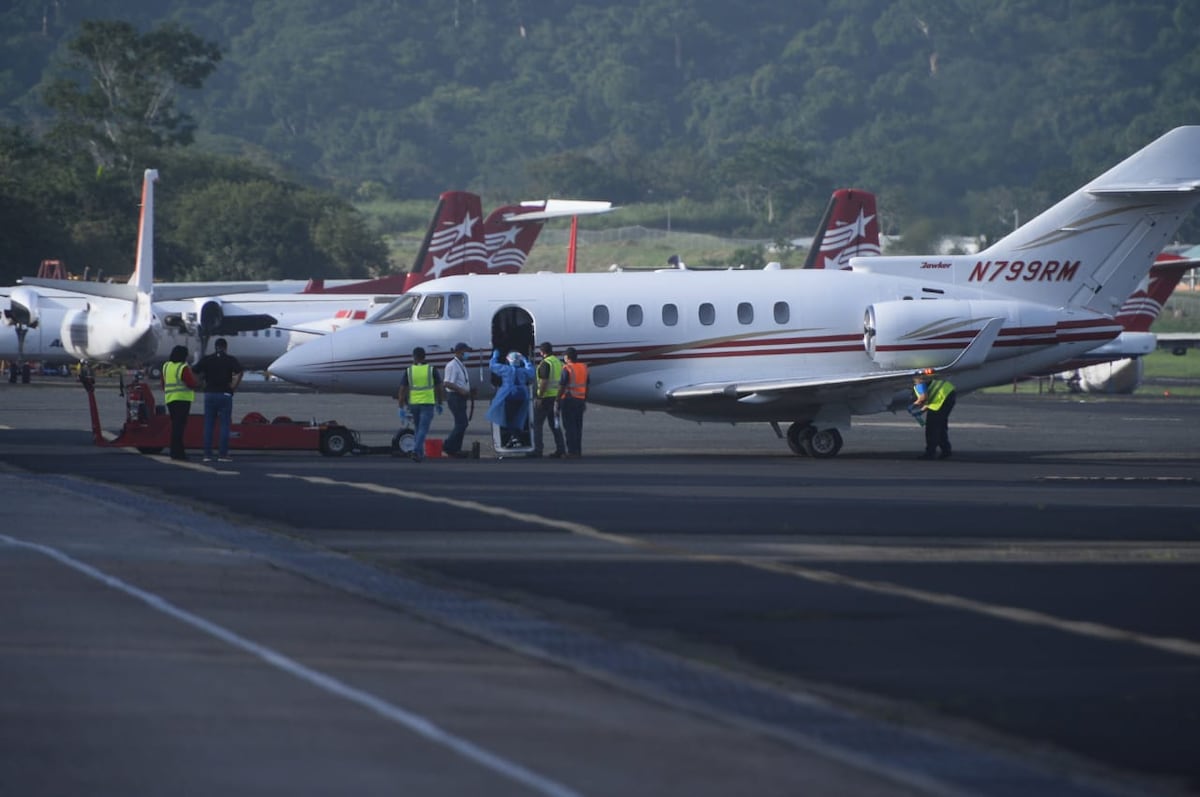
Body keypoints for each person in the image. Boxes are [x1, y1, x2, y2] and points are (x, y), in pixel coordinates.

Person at [192, 337, 243, 463]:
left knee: (208, 425)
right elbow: (240, 372)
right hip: (225, 394)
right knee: (225, 425)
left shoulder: (207, 359)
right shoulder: (230, 359)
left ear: (215, 347)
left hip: (209, 394)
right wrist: (233, 386)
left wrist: (200, 384)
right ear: (225, 347)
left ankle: (207, 455)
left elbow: (194, 370)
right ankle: (222, 455)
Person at [397, 346, 444, 462]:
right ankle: (416, 450)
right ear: (424, 356)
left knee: (418, 428)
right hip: (427, 403)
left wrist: (400, 407)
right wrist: (440, 402)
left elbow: (402, 390)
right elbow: (439, 388)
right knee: (423, 429)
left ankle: (420, 453)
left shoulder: (409, 370)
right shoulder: (431, 370)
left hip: (414, 403)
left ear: (414, 357)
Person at [487, 349, 534, 449]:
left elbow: (492, 366)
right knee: (520, 417)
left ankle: (514, 437)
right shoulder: (523, 371)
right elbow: (531, 373)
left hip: (509, 396)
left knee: (508, 418)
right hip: (522, 395)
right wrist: (526, 361)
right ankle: (517, 436)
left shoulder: (505, 369)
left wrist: (495, 356)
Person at [161, 345, 198, 461]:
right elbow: (191, 383)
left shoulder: (166, 366)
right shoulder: (182, 367)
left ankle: (174, 451)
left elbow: (163, 384)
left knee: (175, 426)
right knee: (179, 428)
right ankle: (178, 453)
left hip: (170, 399)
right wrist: (199, 384)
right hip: (182, 400)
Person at [531, 341, 566, 458]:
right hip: (557, 398)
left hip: (546, 398)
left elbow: (544, 382)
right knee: (555, 424)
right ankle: (561, 449)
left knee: (537, 424)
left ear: (542, 352)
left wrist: (540, 396)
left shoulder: (545, 364)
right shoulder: (559, 363)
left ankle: (538, 449)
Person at [913, 372, 956, 459]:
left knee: (932, 427)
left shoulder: (918, 382)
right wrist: (921, 411)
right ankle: (946, 450)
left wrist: (913, 405)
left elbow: (923, 398)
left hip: (942, 399)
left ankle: (930, 453)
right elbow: (929, 400)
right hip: (948, 394)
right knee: (940, 425)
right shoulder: (928, 381)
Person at [442, 342, 473, 458]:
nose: (468, 354)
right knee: (462, 423)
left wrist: (467, 391)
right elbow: (447, 383)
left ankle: (455, 449)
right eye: (466, 351)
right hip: (455, 398)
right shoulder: (452, 366)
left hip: (460, 398)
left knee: (460, 423)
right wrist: (461, 390)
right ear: (460, 351)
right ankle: (447, 445)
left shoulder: (461, 365)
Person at [557, 346, 590, 458]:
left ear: (567, 357)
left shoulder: (567, 368)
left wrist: (557, 399)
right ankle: (578, 450)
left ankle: (571, 451)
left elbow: (562, 385)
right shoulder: (584, 367)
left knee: (569, 427)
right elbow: (587, 385)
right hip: (580, 400)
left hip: (569, 400)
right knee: (577, 427)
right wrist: (585, 399)